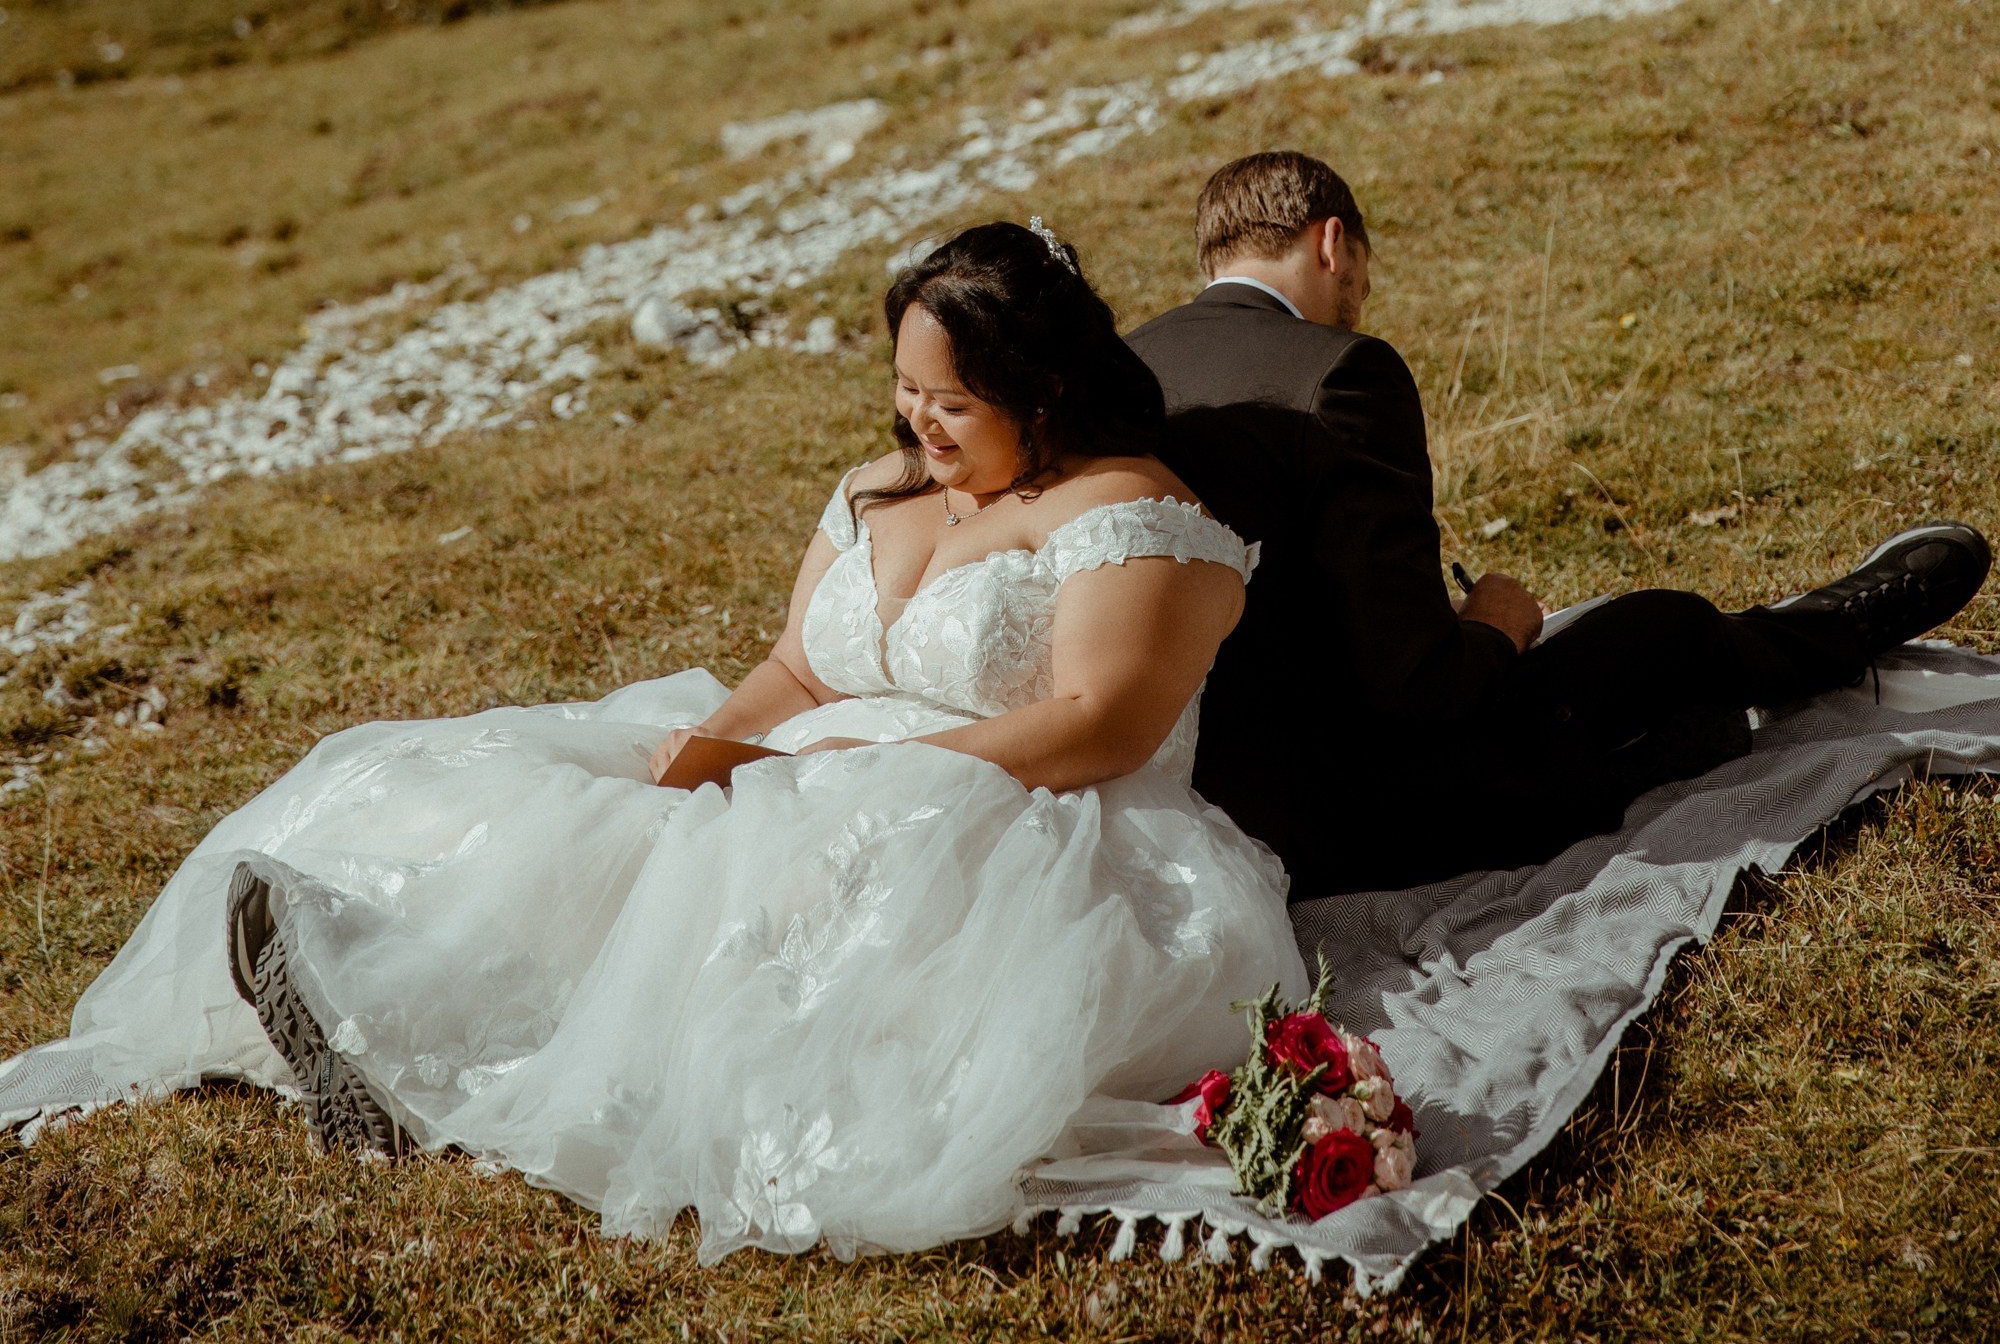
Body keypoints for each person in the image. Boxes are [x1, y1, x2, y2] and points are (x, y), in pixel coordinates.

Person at [2, 222, 1301, 1260]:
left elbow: (1101, 725)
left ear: (1046, 386)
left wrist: (841, 777)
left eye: (951, 403)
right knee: (562, 789)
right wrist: (706, 747)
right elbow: (799, 664)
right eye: (906, 395)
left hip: (1008, 815)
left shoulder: (1129, 513)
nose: (920, 429)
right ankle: (375, 989)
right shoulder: (878, 490)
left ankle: (415, 1042)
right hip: (814, 761)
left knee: (744, 872)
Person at [1127, 149, 1991, 895]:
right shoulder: (1340, 372)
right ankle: (1830, 633)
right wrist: (1496, 627)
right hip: (1355, 813)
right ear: (1330, 242)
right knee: (1662, 629)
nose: (1359, 297)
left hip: (1194, 810)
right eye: (1362, 273)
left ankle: (1734, 691)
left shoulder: (1126, 368)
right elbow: (1416, 687)